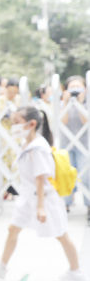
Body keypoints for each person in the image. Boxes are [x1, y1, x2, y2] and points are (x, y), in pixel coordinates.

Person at [0, 106, 87, 281]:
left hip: (44, 198)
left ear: (31, 124)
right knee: (13, 229)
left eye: (17, 122)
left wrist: (40, 206)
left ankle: (76, 272)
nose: (14, 126)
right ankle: (2, 265)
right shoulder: (30, 144)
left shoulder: (37, 148)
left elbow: (40, 177)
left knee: (61, 234)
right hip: (29, 198)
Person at [60, 76, 89, 220]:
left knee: (86, 176)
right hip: (67, 145)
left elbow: (86, 122)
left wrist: (81, 102)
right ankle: (65, 204)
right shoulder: (63, 104)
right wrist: (66, 102)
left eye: (79, 87)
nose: (75, 90)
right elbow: (62, 122)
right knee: (65, 174)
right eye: (72, 87)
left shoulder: (86, 103)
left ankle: (88, 204)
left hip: (84, 145)